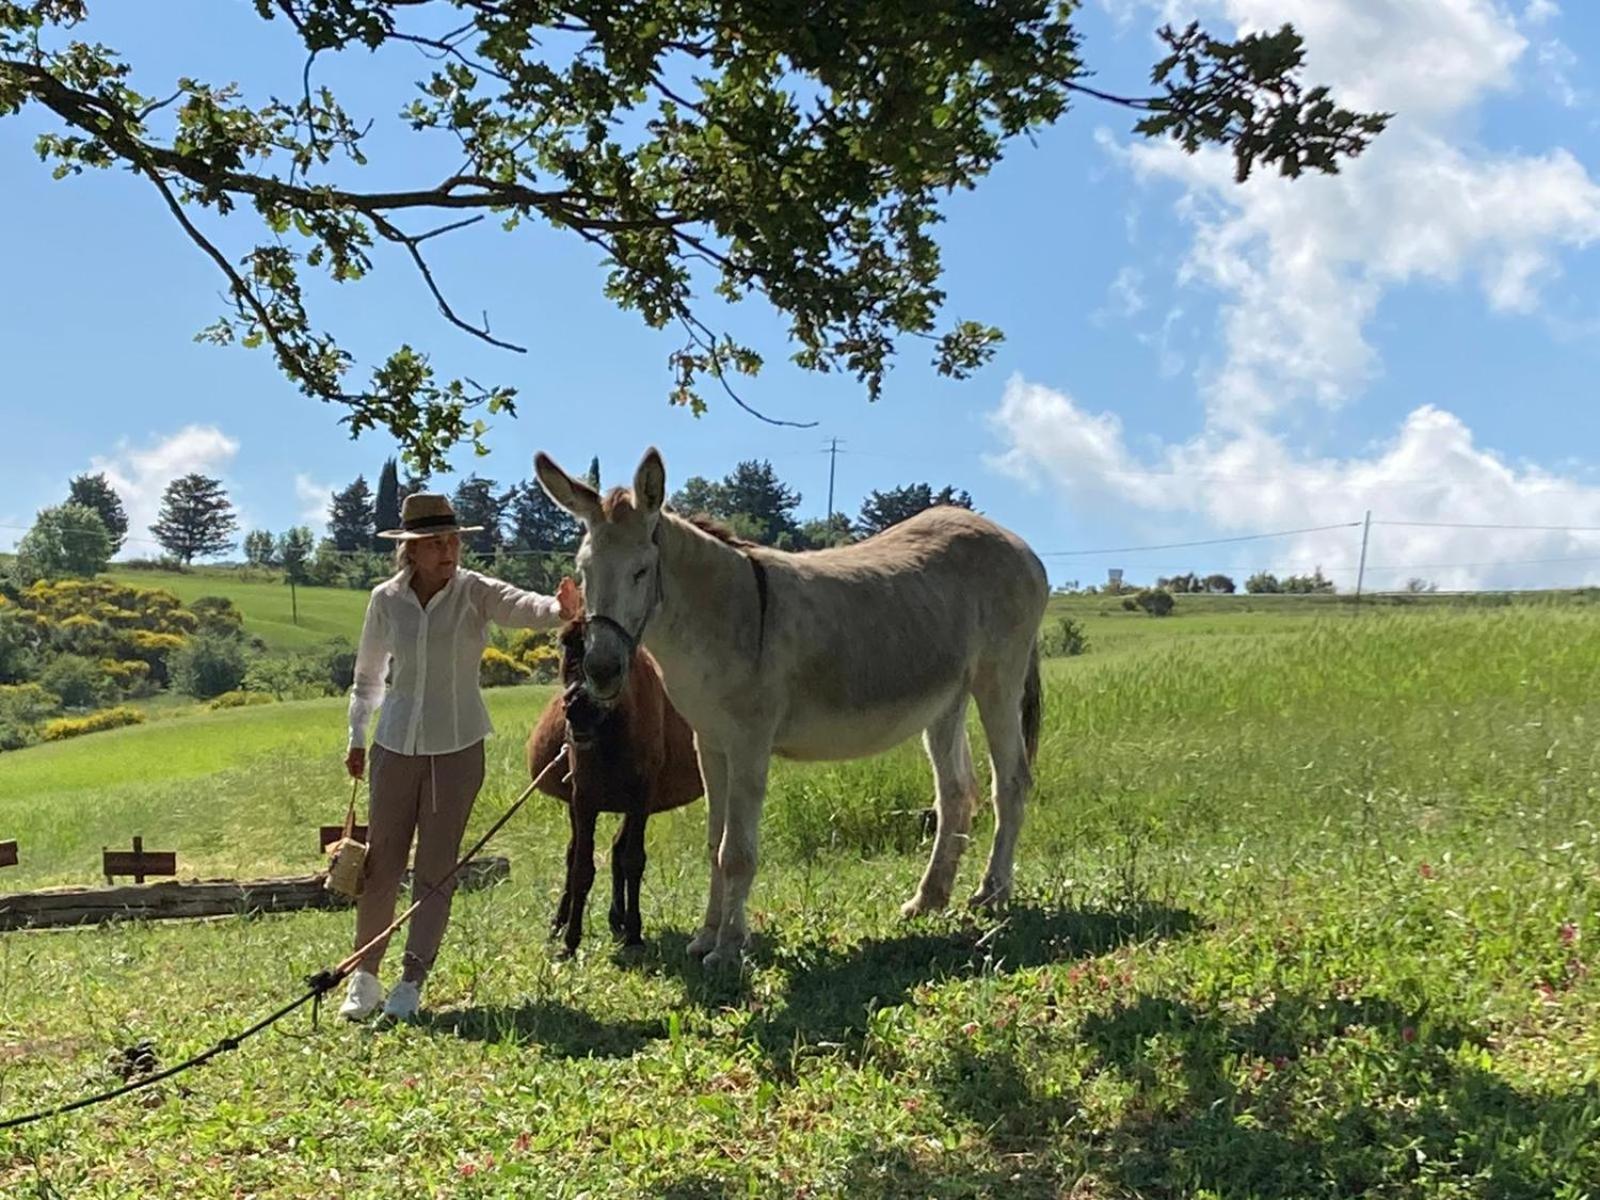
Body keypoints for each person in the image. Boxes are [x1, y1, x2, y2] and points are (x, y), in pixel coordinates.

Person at [339, 492, 563, 1021]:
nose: (448, 550)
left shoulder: (473, 593)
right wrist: (356, 734)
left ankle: (411, 983)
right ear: (410, 550)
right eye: (435, 543)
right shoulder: (385, 600)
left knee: (436, 869)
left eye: (453, 540)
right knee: (382, 864)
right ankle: (364, 978)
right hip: (394, 745)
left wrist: (560, 609)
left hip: (458, 748)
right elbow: (368, 676)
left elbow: (522, 606)